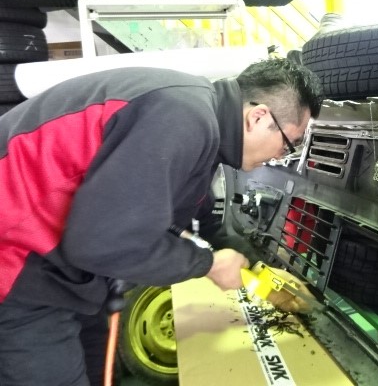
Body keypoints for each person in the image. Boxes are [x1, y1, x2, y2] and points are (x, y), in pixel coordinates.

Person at [0, 57, 324, 386]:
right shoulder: (181, 116)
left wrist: (260, 270)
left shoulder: (204, 124)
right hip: (16, 261)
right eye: (289, 144)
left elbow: (201, 217)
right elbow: (103, 244)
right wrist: (208, 265)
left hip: (61, 269)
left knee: (97, 364)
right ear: (258, 117)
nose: (280, 157)